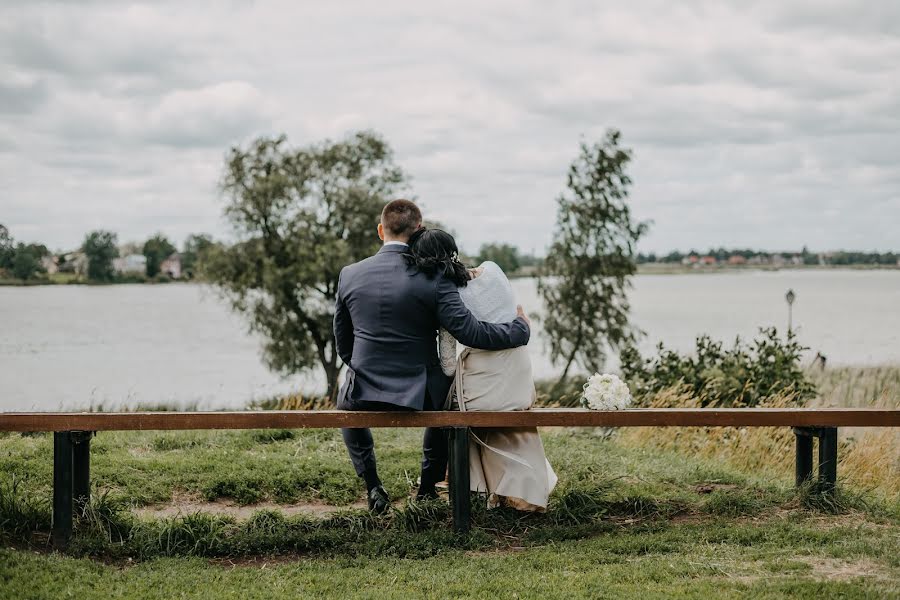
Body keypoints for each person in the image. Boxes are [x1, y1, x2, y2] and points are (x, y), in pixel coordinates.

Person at [333, 199, 532, 513]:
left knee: (344, 402)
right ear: (419, 230)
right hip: (421, 394)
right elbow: (472, 333)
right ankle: (427, 488)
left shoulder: (349, 274)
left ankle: (373, 487)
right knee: (446, 400)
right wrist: (519, 329)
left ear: (380, 231)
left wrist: (362, 370)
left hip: (363, 392)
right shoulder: (435, 276)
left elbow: (343, 343)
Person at [408, 229, 557, 511]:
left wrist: (447, 383)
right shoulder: (493, 270)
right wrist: (522, 326)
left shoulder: (447, 294)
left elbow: (450, 362)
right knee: (468, 406)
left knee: (449, 410)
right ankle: (507, 491)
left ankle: (440, 486)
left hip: (488, 387)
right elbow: (510, 311)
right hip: (520, 377)